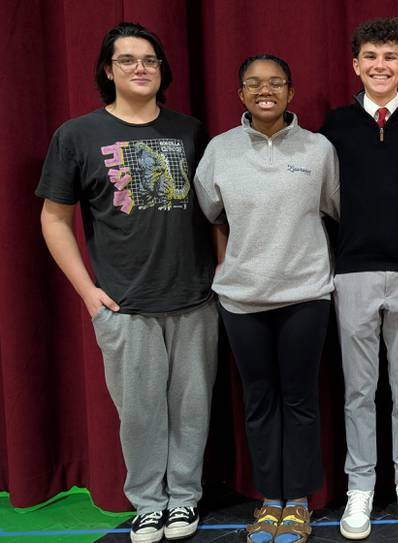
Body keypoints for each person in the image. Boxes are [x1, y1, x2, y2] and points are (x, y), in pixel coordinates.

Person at [36, 22, 217, 543]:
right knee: (138, 414)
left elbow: (216, 211)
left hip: (195, 298)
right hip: (123, 305)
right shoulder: (77, 135)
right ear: (107, 70)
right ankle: (148, 504)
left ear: (162, 70)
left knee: (192, 409)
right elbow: (54, 219)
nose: (141, 68)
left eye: (150, 60)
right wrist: (87, 291)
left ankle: (184, 499)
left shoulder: (190, 131)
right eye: (128, 60)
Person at [194, 54, 339, 543]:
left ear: (290, 92)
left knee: (300, 399)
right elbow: (212, 213)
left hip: (305, 294)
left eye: (276, 82)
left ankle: (297, 502)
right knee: (258, 400)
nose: (265, 90)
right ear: (240, 94)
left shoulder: (319, 149)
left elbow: (334, 206)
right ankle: (269, 500)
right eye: (254, 83)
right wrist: (227, 263)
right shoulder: (220, 150)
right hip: (242, 299)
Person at [319, 17, 398, 540]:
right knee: (359, 390)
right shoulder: (335, 126)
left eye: (390, 57)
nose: (380, 65)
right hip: (354, 273)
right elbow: (326, 198)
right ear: (356, 65)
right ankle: (361, 486)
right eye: (370, 56)